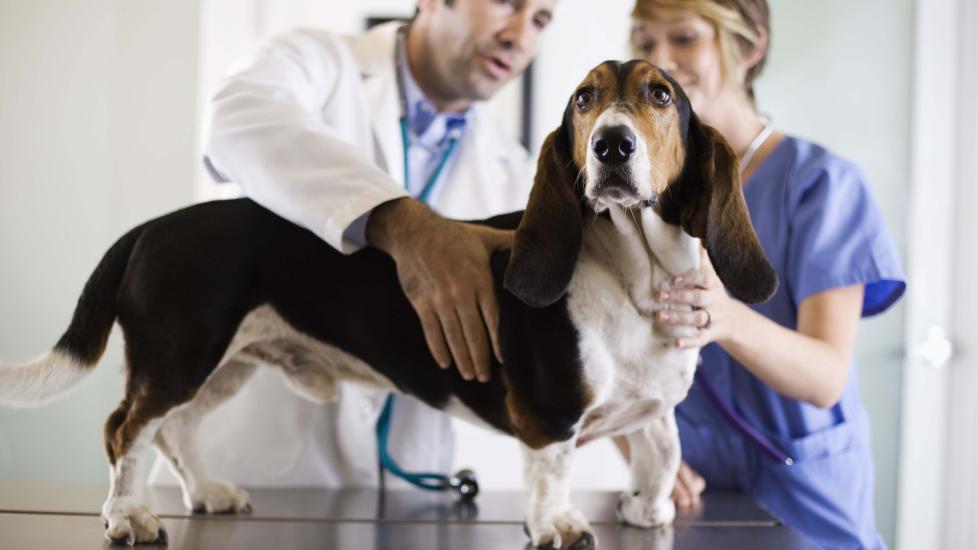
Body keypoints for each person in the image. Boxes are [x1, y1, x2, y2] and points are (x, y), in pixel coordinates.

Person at [148, 0, 557, 489]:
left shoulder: (513, 171)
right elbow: (236, 118)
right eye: (507, 4)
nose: (520, 37)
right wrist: (404, 226)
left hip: (411, 497)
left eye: (540, 19)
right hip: (253, 480)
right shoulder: (317, 60)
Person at [626, 1, 906, 548]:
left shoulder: (821, 187)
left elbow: (825, 377)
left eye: (683, 39)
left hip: (809, 501)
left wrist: (725, 318)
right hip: (693, 501)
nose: (658, 62)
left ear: (748, 48)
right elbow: (619, 349)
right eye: (644, 43)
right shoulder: (642, 192)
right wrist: (639, 444)